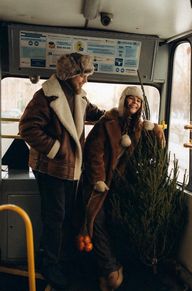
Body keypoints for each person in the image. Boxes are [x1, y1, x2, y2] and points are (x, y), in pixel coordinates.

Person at [19, 52, 105, 289]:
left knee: (68, 215)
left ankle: (64, 259)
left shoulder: (79, 95)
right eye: (82, 76)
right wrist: (56, 149)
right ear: (70, 75)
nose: (85, 80)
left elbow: (93, 113)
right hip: (51, 167)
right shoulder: (45, 97)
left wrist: (111, 117)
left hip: (70, 168)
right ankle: (49, 266)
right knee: (54, 218)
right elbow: (27, 128)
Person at [76, 86, 165, 291]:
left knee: (113, 223)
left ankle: (107, 271)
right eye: (131, 99)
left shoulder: (137, 127)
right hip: (98, 184)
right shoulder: (107, 122)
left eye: (138, 101)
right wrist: (98, 180)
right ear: (123, 100)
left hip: (117, 183)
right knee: (96, 222)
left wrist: (156, 131)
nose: (134, 103)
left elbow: (148, 150)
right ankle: (110, 270)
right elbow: (94, 153)